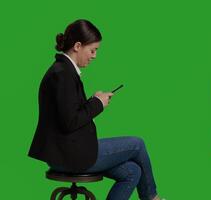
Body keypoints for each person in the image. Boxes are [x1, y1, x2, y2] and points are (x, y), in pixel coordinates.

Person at [28, 19, 164, 200]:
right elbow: (70, 122)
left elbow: (68, 112)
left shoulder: (62, 71)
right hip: (69, 155)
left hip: (68, 151)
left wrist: (93, 100)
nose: (94, 56)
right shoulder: (63, 74)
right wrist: (97, 104)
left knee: (132, 171)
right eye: (92, 50)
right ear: (77, 46)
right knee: (137, 144)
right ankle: (151, 198)